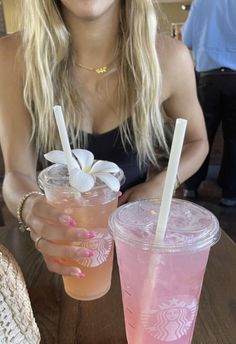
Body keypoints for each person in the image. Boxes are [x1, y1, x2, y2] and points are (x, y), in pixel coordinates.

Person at [0, 0, 208, 278]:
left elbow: (197, 142)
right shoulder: (11, 58)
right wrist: (32, 210)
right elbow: (16, 174)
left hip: (137, 245)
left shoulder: (170, 58)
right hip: (60, 248)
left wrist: (159, 186)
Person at [182, 0, 236, 206]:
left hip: (208, 78)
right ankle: (230, 194)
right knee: (234, 140)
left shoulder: (201, 2)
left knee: (200, 134)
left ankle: (190, 187)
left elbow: (187, 40)